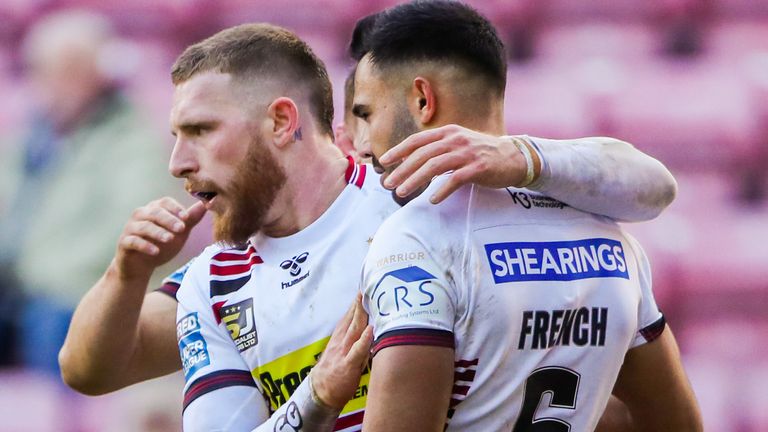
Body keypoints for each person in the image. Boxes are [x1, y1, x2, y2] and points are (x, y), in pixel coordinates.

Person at [58, 22, 680, 432]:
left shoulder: (417, 202)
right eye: (176, 136)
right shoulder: (213, 286)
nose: (178, 162)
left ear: (281, 121)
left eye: (199, 131)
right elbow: (87, 370)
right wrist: (126, 272)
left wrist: (523, 155)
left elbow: (649, 186)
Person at [350, 2, 702, 431]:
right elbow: (677, 423)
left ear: (424, 100)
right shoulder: (608, 235)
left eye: (366, 114)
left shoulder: (416, 240)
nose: (362, 145)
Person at [0, 10, 177, 373]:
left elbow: (132, 229)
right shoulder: (27, 141)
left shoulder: (133, 140)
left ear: (98, 72)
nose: (53, 82)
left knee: (54, 320)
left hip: (83, 288)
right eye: (45, 69)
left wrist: (37, 273)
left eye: (70, 68)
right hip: (20, 287)